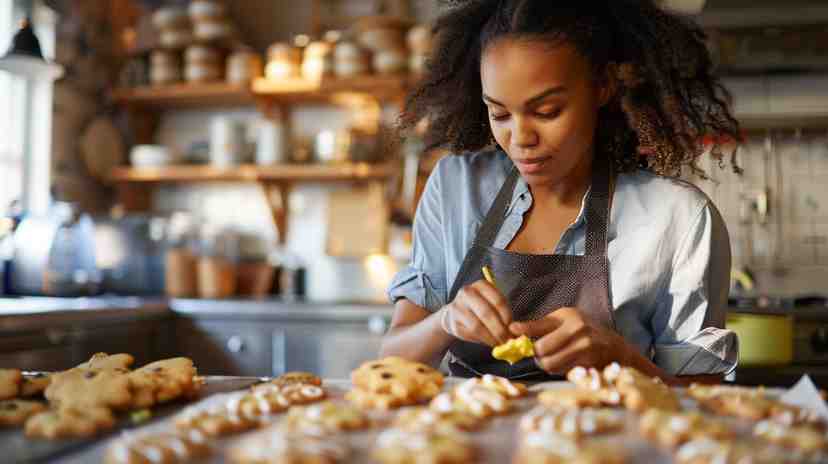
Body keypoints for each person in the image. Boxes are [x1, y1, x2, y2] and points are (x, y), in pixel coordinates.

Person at [381, 0, 741, 385]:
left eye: (548, 111)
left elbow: (701, 401)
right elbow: (392, 360)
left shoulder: (677, 217)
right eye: (499, 114)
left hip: (609, 441)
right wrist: (445, 321)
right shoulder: (455, 187)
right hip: (468, 437)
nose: (520, 139)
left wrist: (619, 358)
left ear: (602, 86)